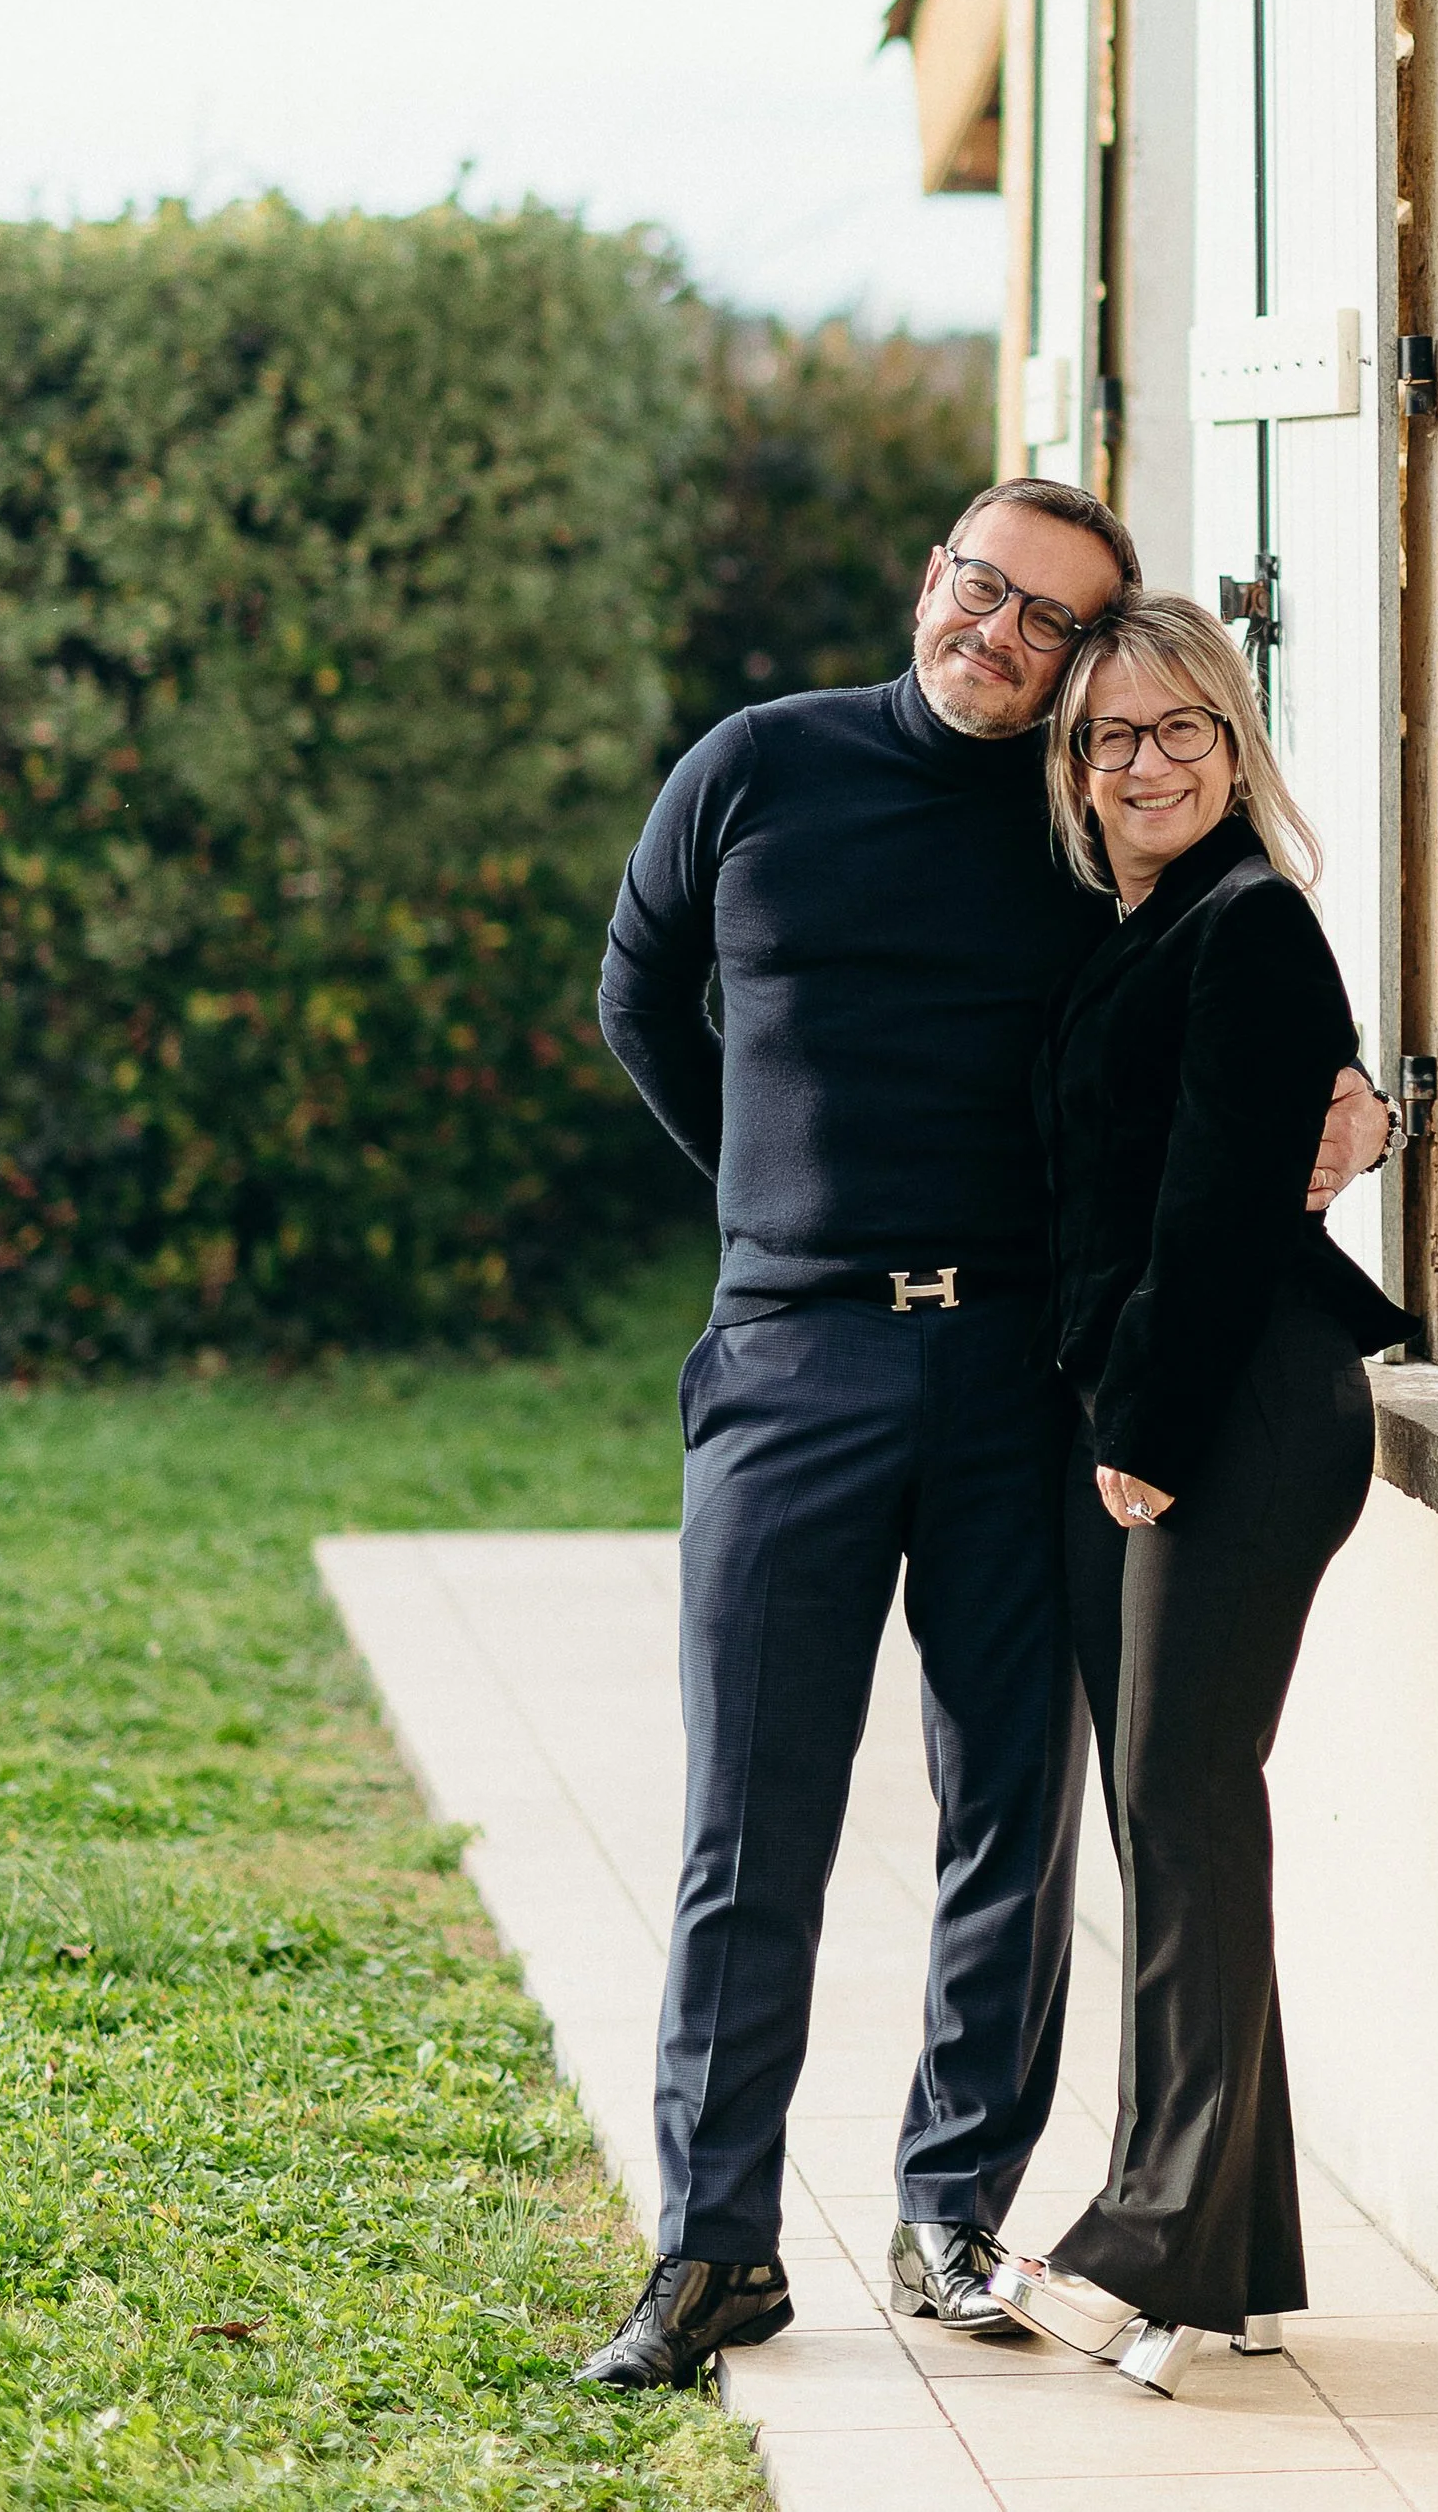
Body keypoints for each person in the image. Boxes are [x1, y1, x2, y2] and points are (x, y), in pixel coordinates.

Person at [573, 486, 1394, 2394]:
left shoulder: (1076, 828)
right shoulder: (755, 766)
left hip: (1023, 1369)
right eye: (983, 586)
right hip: (791, 1366)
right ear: (930, 579)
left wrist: (1356, 1122)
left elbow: (1224, 1015)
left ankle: (954, 2203)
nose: (1002, 633)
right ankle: (715, 2245)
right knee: (749, 1813)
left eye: (1053, 622)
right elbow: (638, 990)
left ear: (1084, 664)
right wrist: (773, 1208)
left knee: (1010, 1803)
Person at [988, 591, 1405, 2399]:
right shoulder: (1144, 926)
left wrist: (1144, 1422)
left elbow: (1224, 1204)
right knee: (1181, 1802)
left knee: (1177, 1792)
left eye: (1178, 731)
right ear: (1075, 778)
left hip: (1242, 1405)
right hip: (1177, 1401)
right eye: (1108, 739)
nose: (1144, 763)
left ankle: (1148, 2236)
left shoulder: (1252, 924)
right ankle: (1231, 2251)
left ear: (1234, 747)